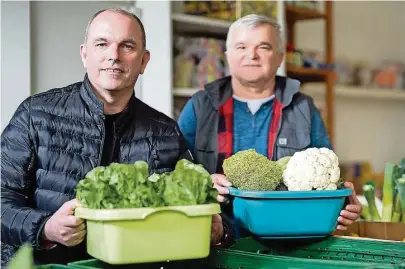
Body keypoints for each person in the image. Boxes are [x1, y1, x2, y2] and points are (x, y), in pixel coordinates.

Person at [1, 9, 231, 267]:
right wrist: (46, 228)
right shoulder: (36, 114)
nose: (114, 55)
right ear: (84, 54)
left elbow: (201, 214)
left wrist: (217, 231)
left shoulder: (165, 131)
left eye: (127, 46)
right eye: (102, 44)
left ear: (143, 61)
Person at [178, 14, 361, 237]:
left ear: (280, 57)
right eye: (241, 46)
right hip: (213, 241)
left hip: (290, 241)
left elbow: (326, 174)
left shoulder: (304, 108)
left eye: (263, 47)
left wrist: (342, 203)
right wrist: (202, 182)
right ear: (228, 56)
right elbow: (175, 171)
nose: (251, 55)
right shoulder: (199, 106)